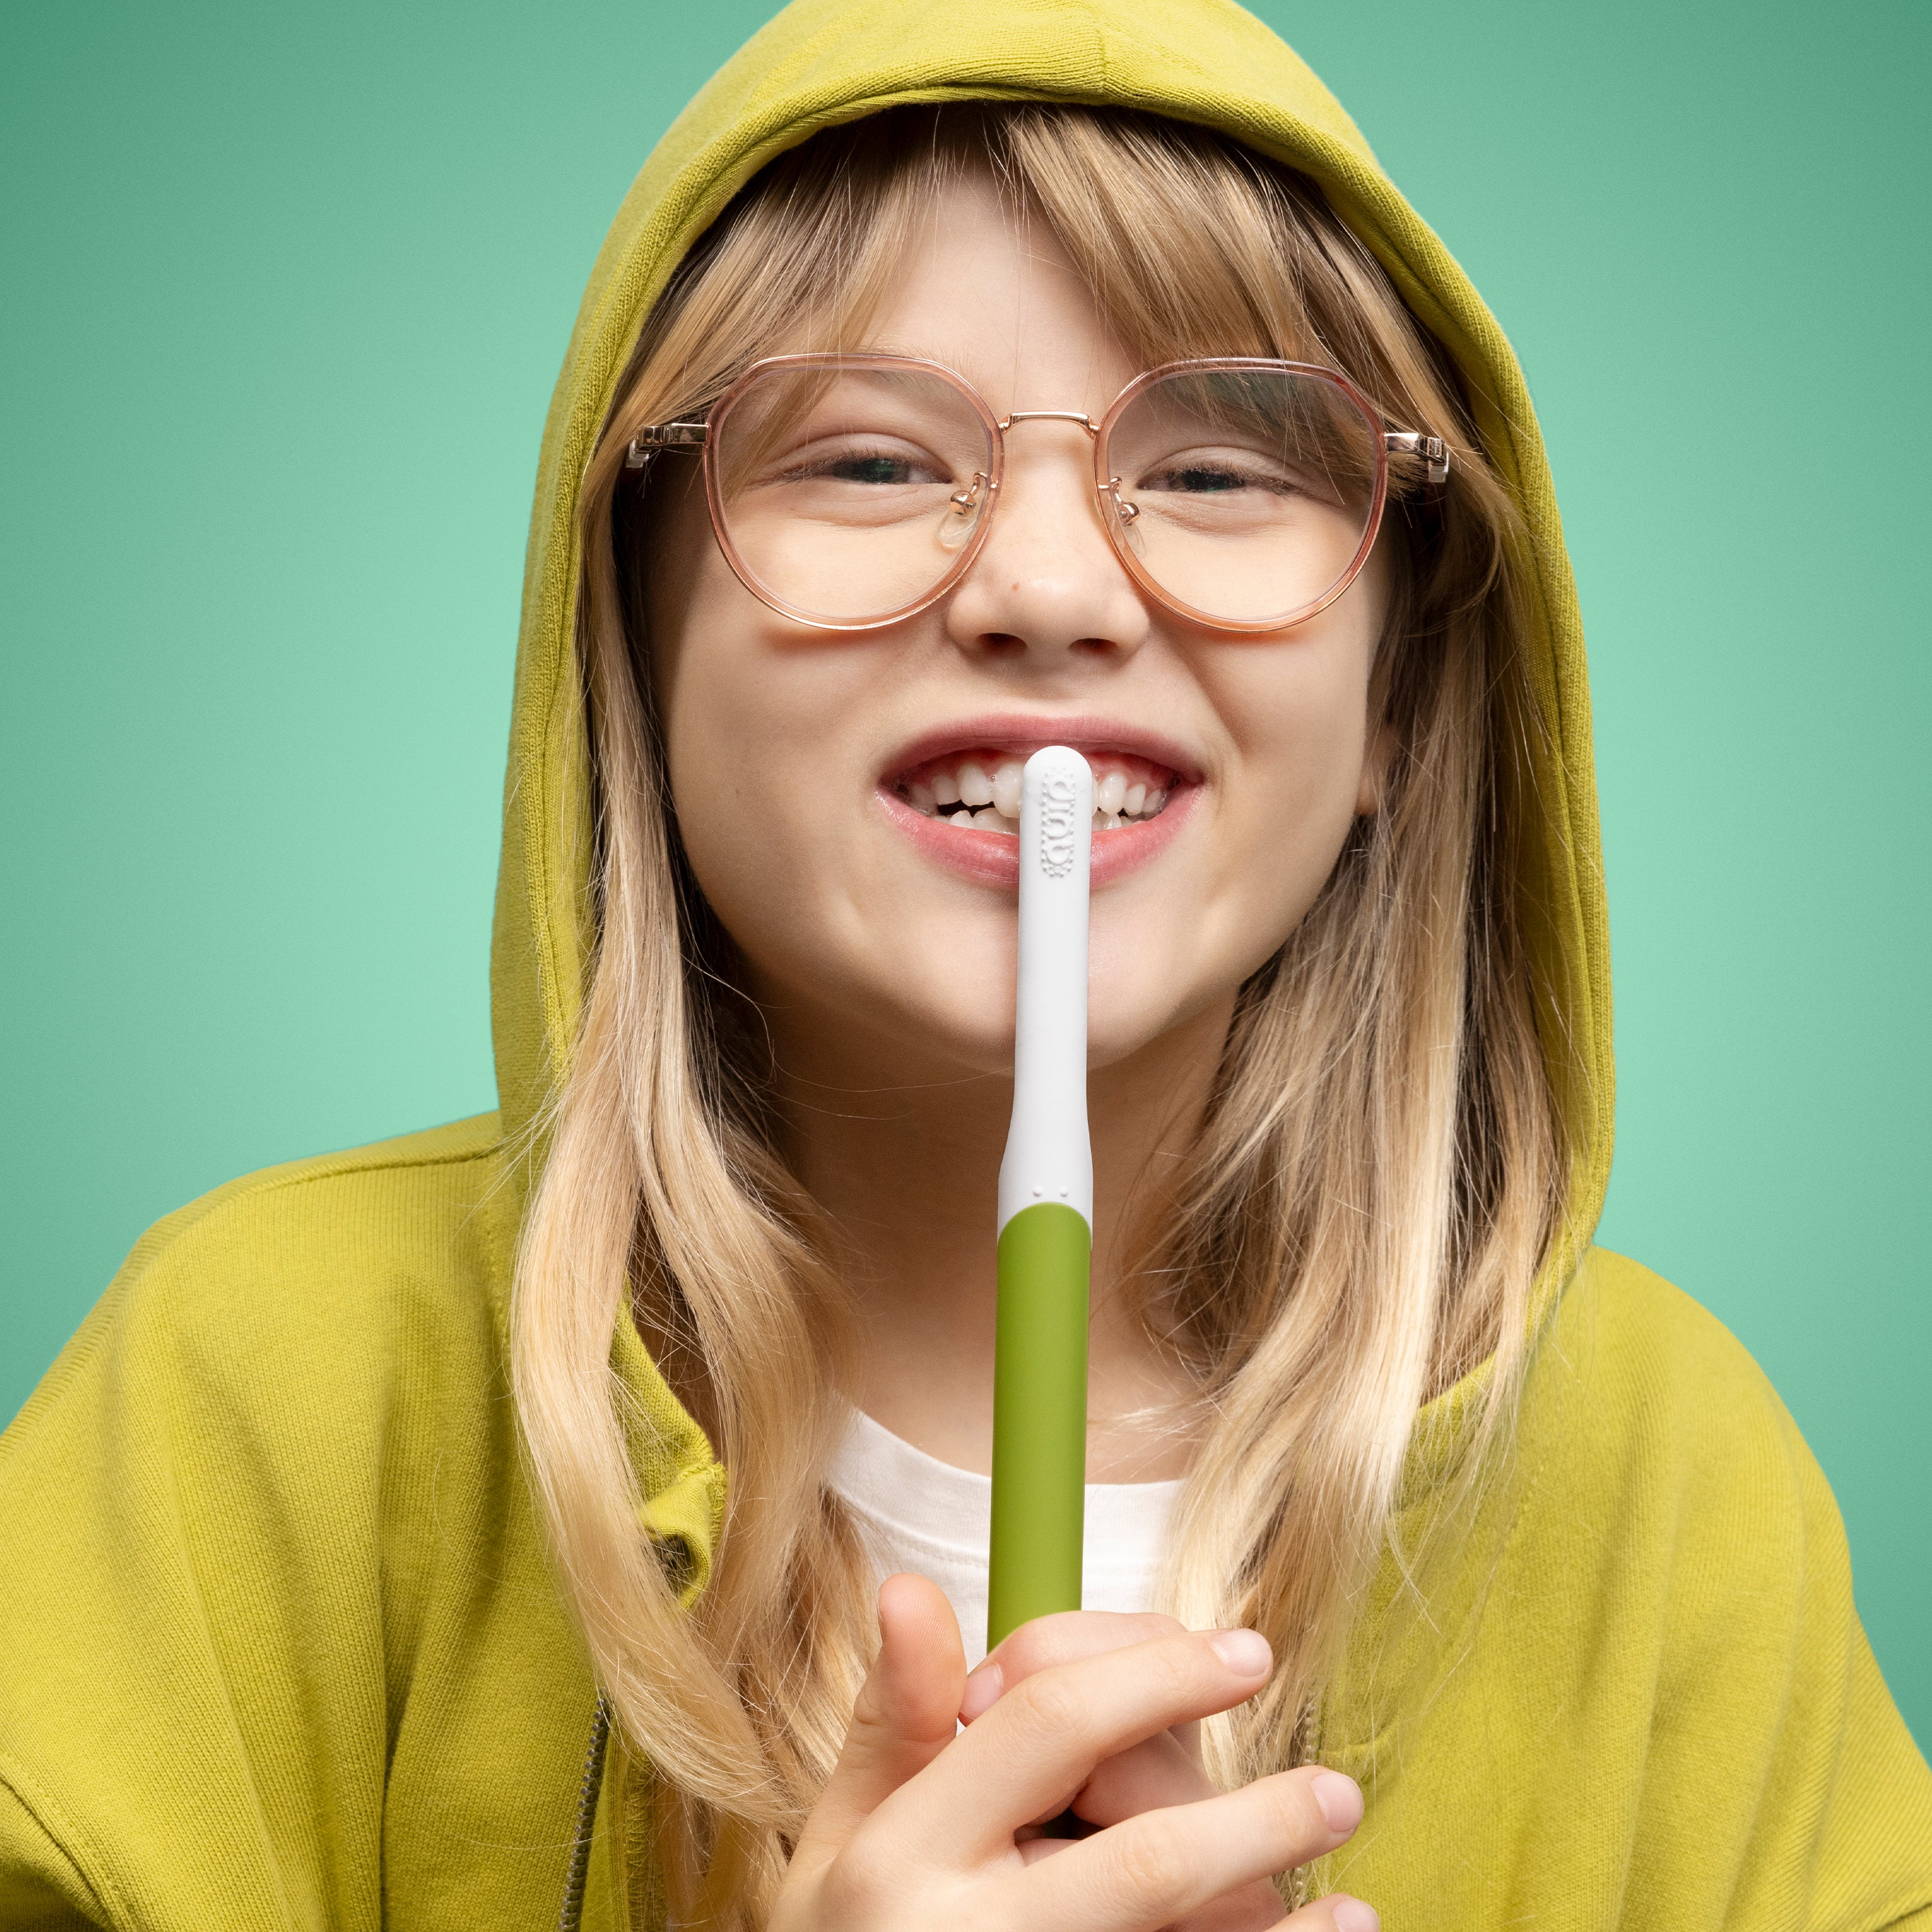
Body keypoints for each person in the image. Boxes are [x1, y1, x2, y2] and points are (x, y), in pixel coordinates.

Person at [2, 1, 1928, 1928]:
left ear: (1406, 698)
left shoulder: (1668, 1475)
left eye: (1223, 471)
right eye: (859, 463)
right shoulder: (257, 1398)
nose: (1048, 592)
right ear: (629, 649)